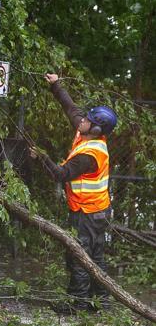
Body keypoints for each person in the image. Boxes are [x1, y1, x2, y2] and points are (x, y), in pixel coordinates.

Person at [31, 73, 117, 313]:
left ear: (96, 128)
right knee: (94, 258)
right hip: (96, 209)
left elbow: (60, 174)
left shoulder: (90, 155)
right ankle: (100, 303)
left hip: (88, 212)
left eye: (87, 120)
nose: (81, 121)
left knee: (79, 257)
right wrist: (56, 84)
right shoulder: (86, 132)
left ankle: (78, 306)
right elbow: (71, 109)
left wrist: (42, 157)